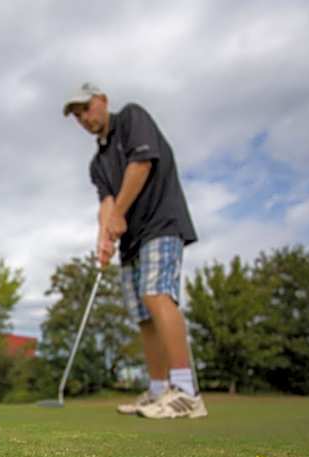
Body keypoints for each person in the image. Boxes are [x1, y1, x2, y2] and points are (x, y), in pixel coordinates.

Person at [63, 82, 207, 419]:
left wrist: (117, 215)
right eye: (77, 115)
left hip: (161, 223)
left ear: (102, 100)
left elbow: (141, 165)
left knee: (157, 294)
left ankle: (186, 392)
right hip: (131, 240)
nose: (84, 118)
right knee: (143, 316)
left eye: (86, 108)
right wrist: (103, 239)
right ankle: (158, 391)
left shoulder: (131, 118)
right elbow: (106, 204)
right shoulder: (97, 163)